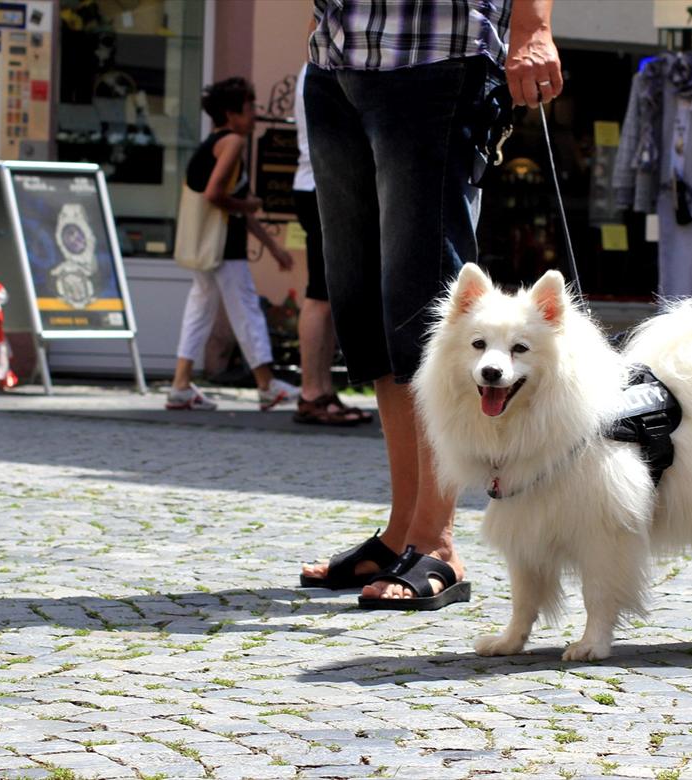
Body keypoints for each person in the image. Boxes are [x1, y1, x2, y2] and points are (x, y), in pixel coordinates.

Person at [298, 0, 563, 609]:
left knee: (427, 306)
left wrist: (532, 27)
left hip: (436, 54)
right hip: (337, 55)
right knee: (366, 307)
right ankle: (401, 533)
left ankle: (436, 543)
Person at [166, 77, 300, 412]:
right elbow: (218, 196)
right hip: (225, 247)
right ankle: (267, 385)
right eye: (249, 107)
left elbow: (231, 202)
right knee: (247, 311)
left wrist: (272, 246)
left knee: (199, 311)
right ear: (231, 113)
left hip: (211, 245)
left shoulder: (212, 142)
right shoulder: (233, 143)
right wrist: (249, 207)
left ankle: (181, 384)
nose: (255, 114)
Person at [291, 60, 371, 426]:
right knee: (321, 295)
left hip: (316, 184)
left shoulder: (318, 68)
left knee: (325, 295)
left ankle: (319, 389)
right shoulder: (323, 69)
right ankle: (312, 391)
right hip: (321, 186)